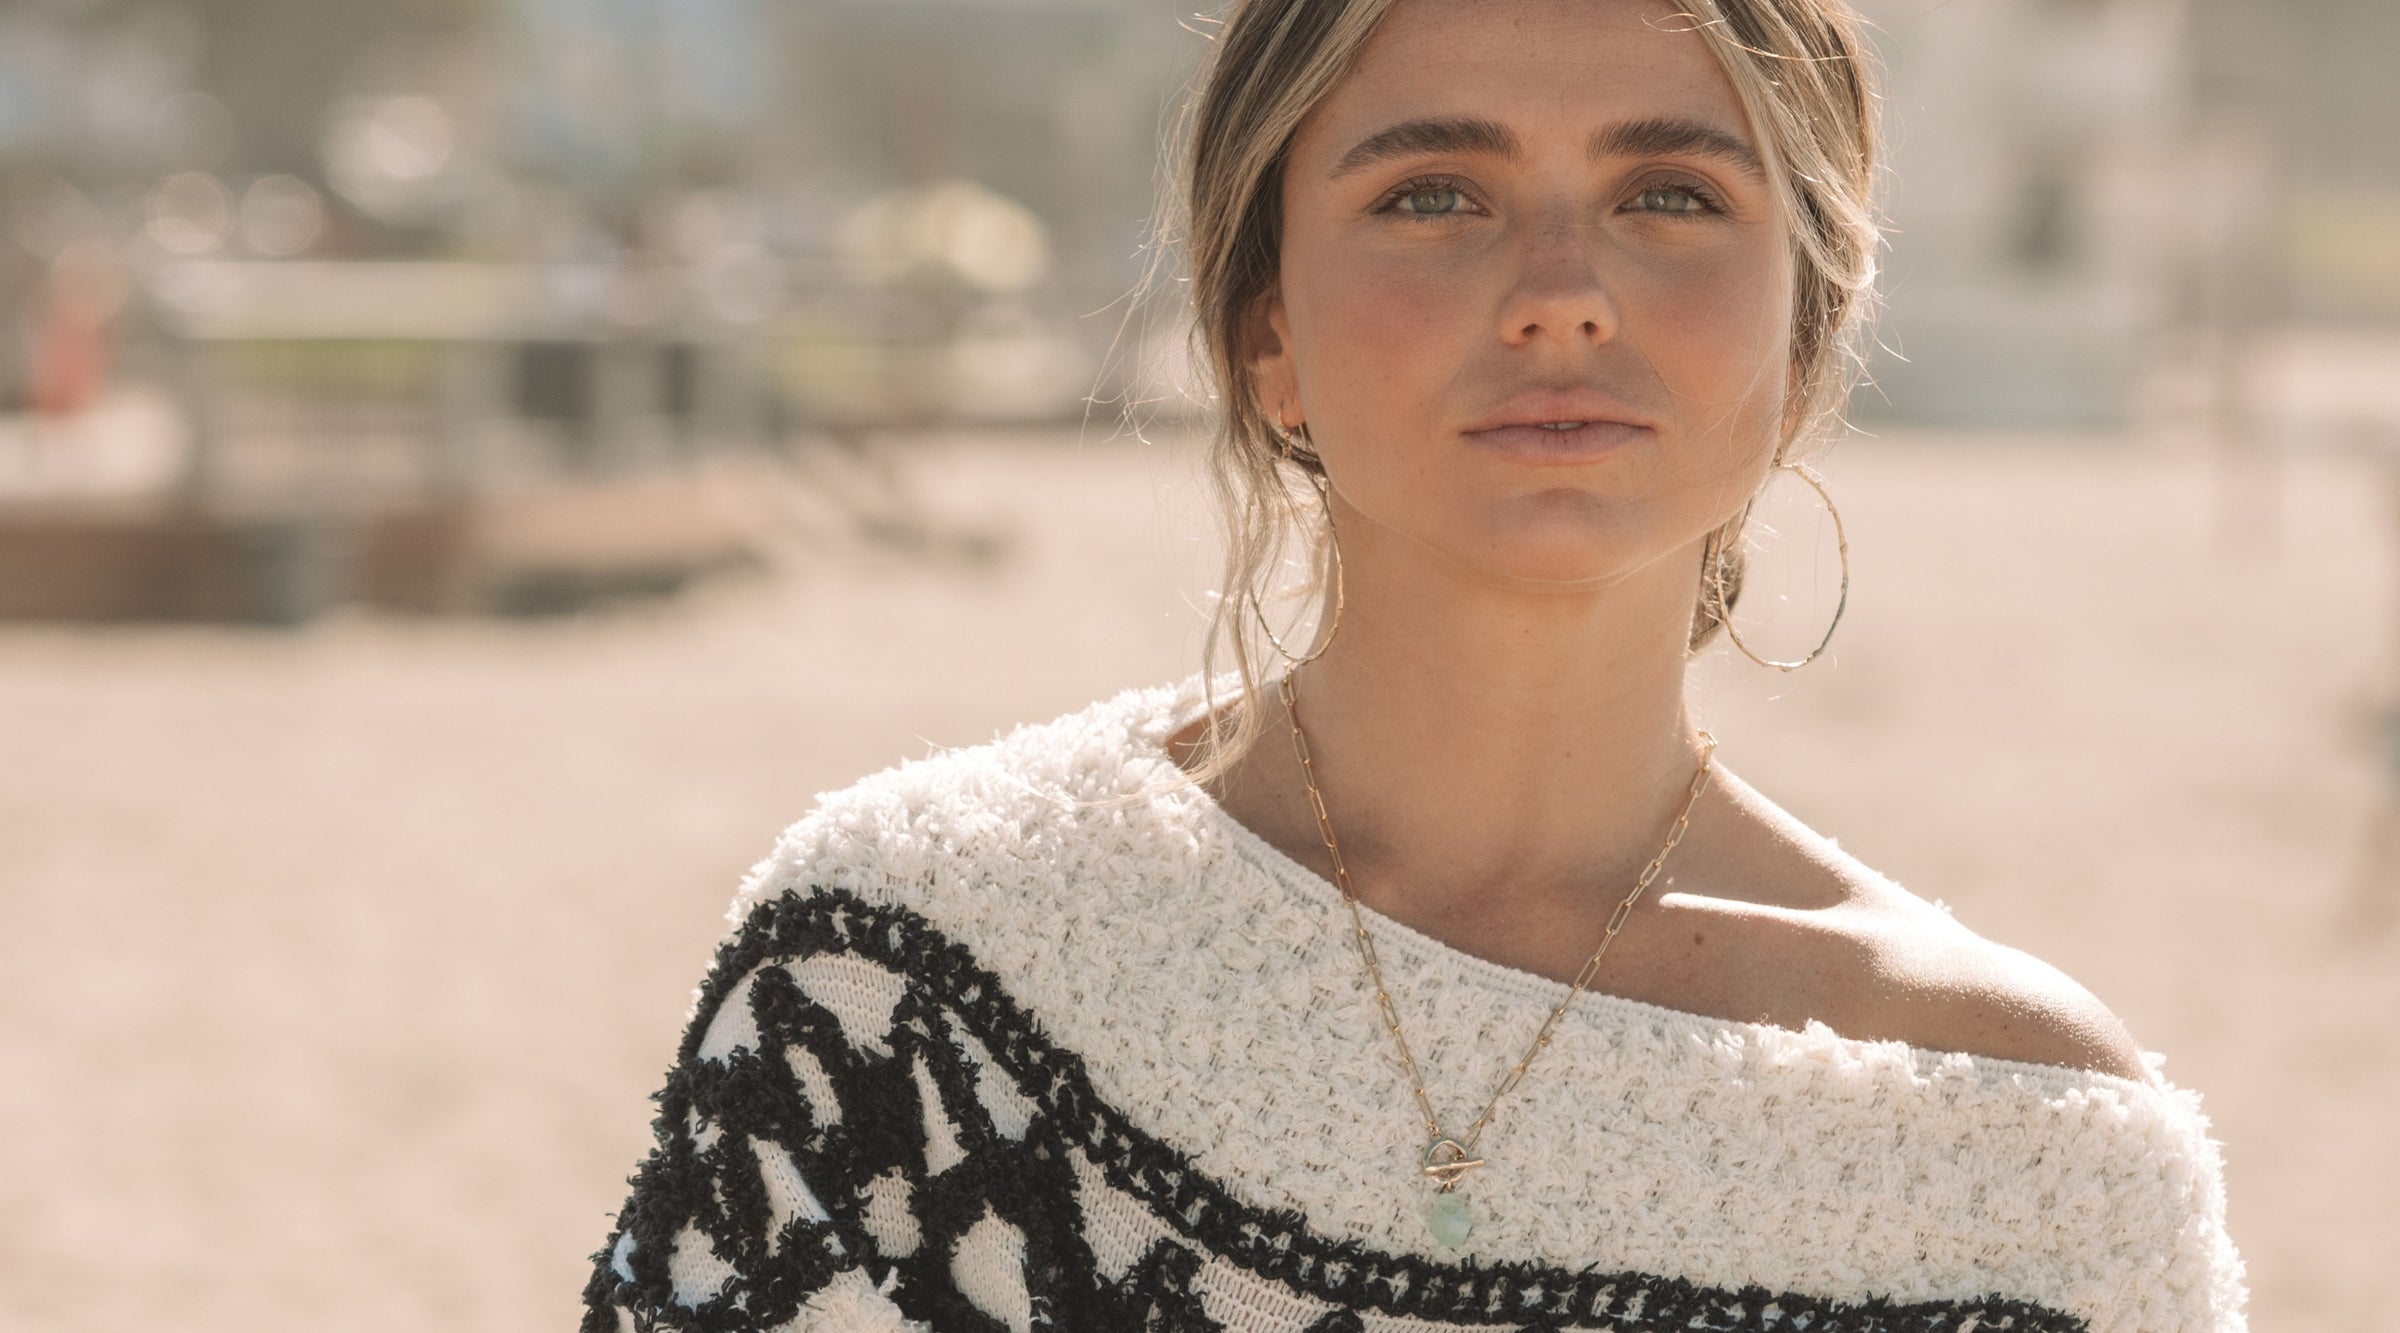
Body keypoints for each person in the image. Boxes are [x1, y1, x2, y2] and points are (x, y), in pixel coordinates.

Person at [581, 0, 2248, 1328]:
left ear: (1806, 327)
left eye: (1670, 194)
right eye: (1430, 194)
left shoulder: (2029, 1161)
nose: (1559, 296)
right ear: (1268, 334)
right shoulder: (905, 967)